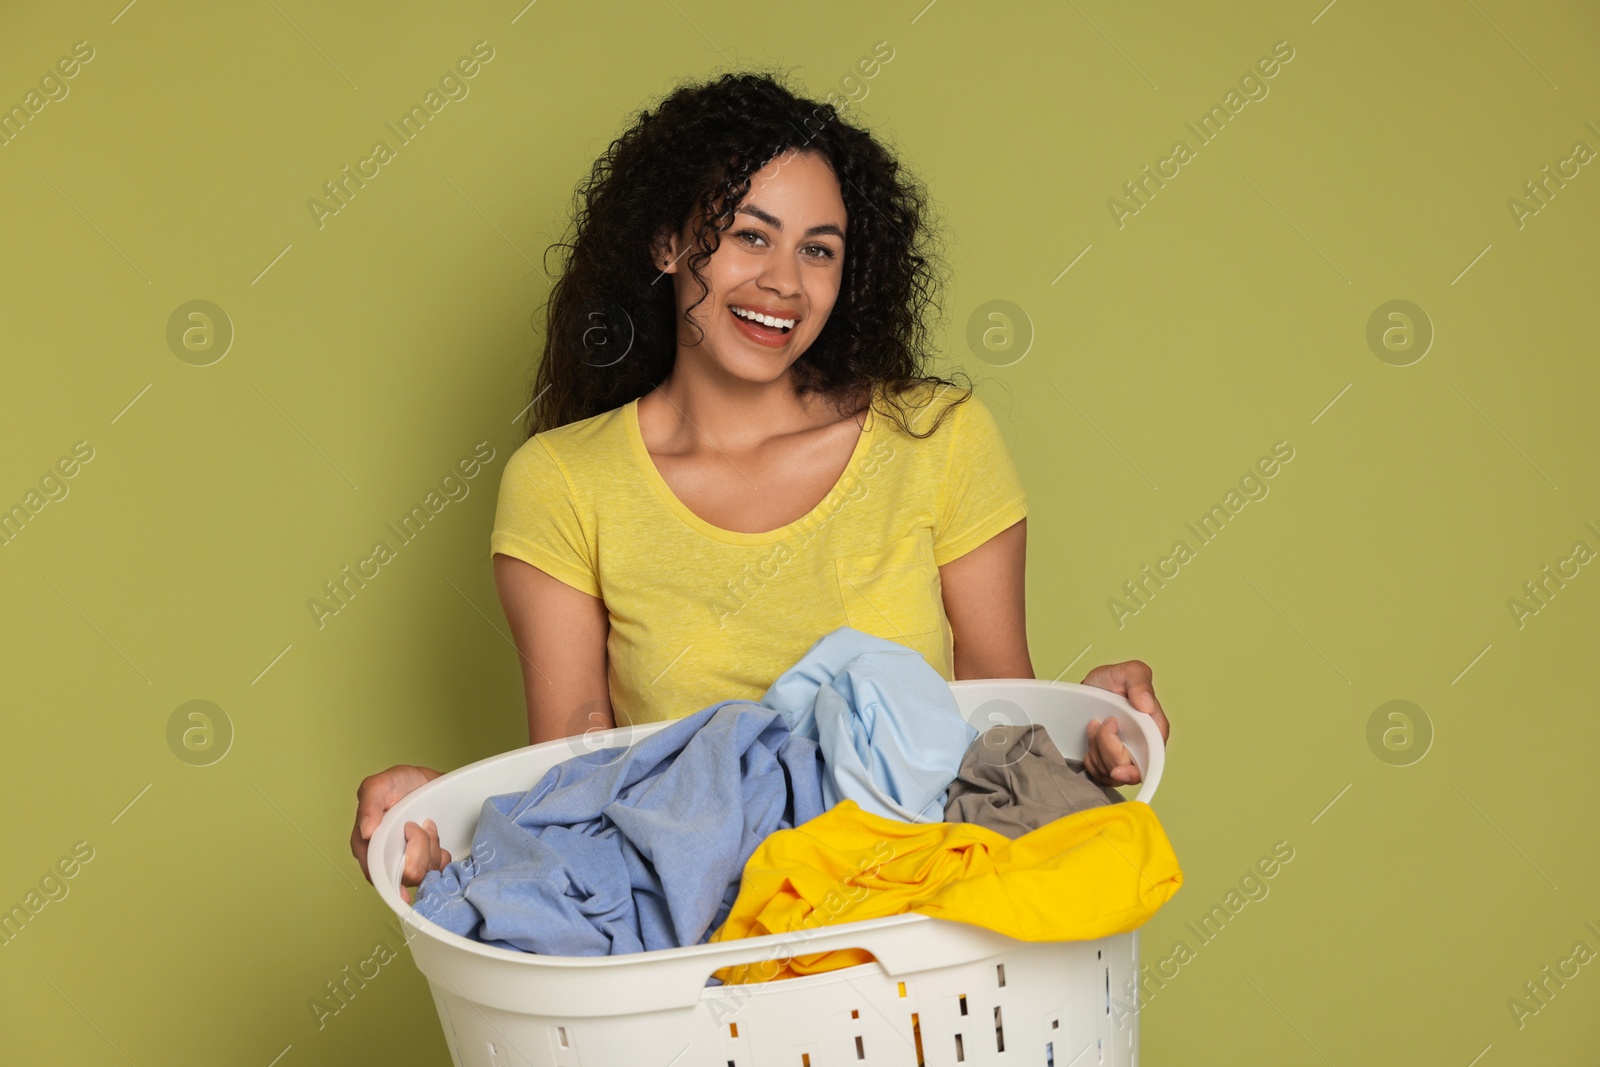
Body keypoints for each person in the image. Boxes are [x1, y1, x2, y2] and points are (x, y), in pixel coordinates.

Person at [350, 71, 1171, 900]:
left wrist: (1089, 728)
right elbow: (582, 781)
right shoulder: (566, 482)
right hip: (703, 952)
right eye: (751, 235)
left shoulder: (938, 438)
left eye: (818, 249)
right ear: (667, 242)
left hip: (925, 925)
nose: (785, 281)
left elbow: (998, 734)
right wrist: (445, 828)